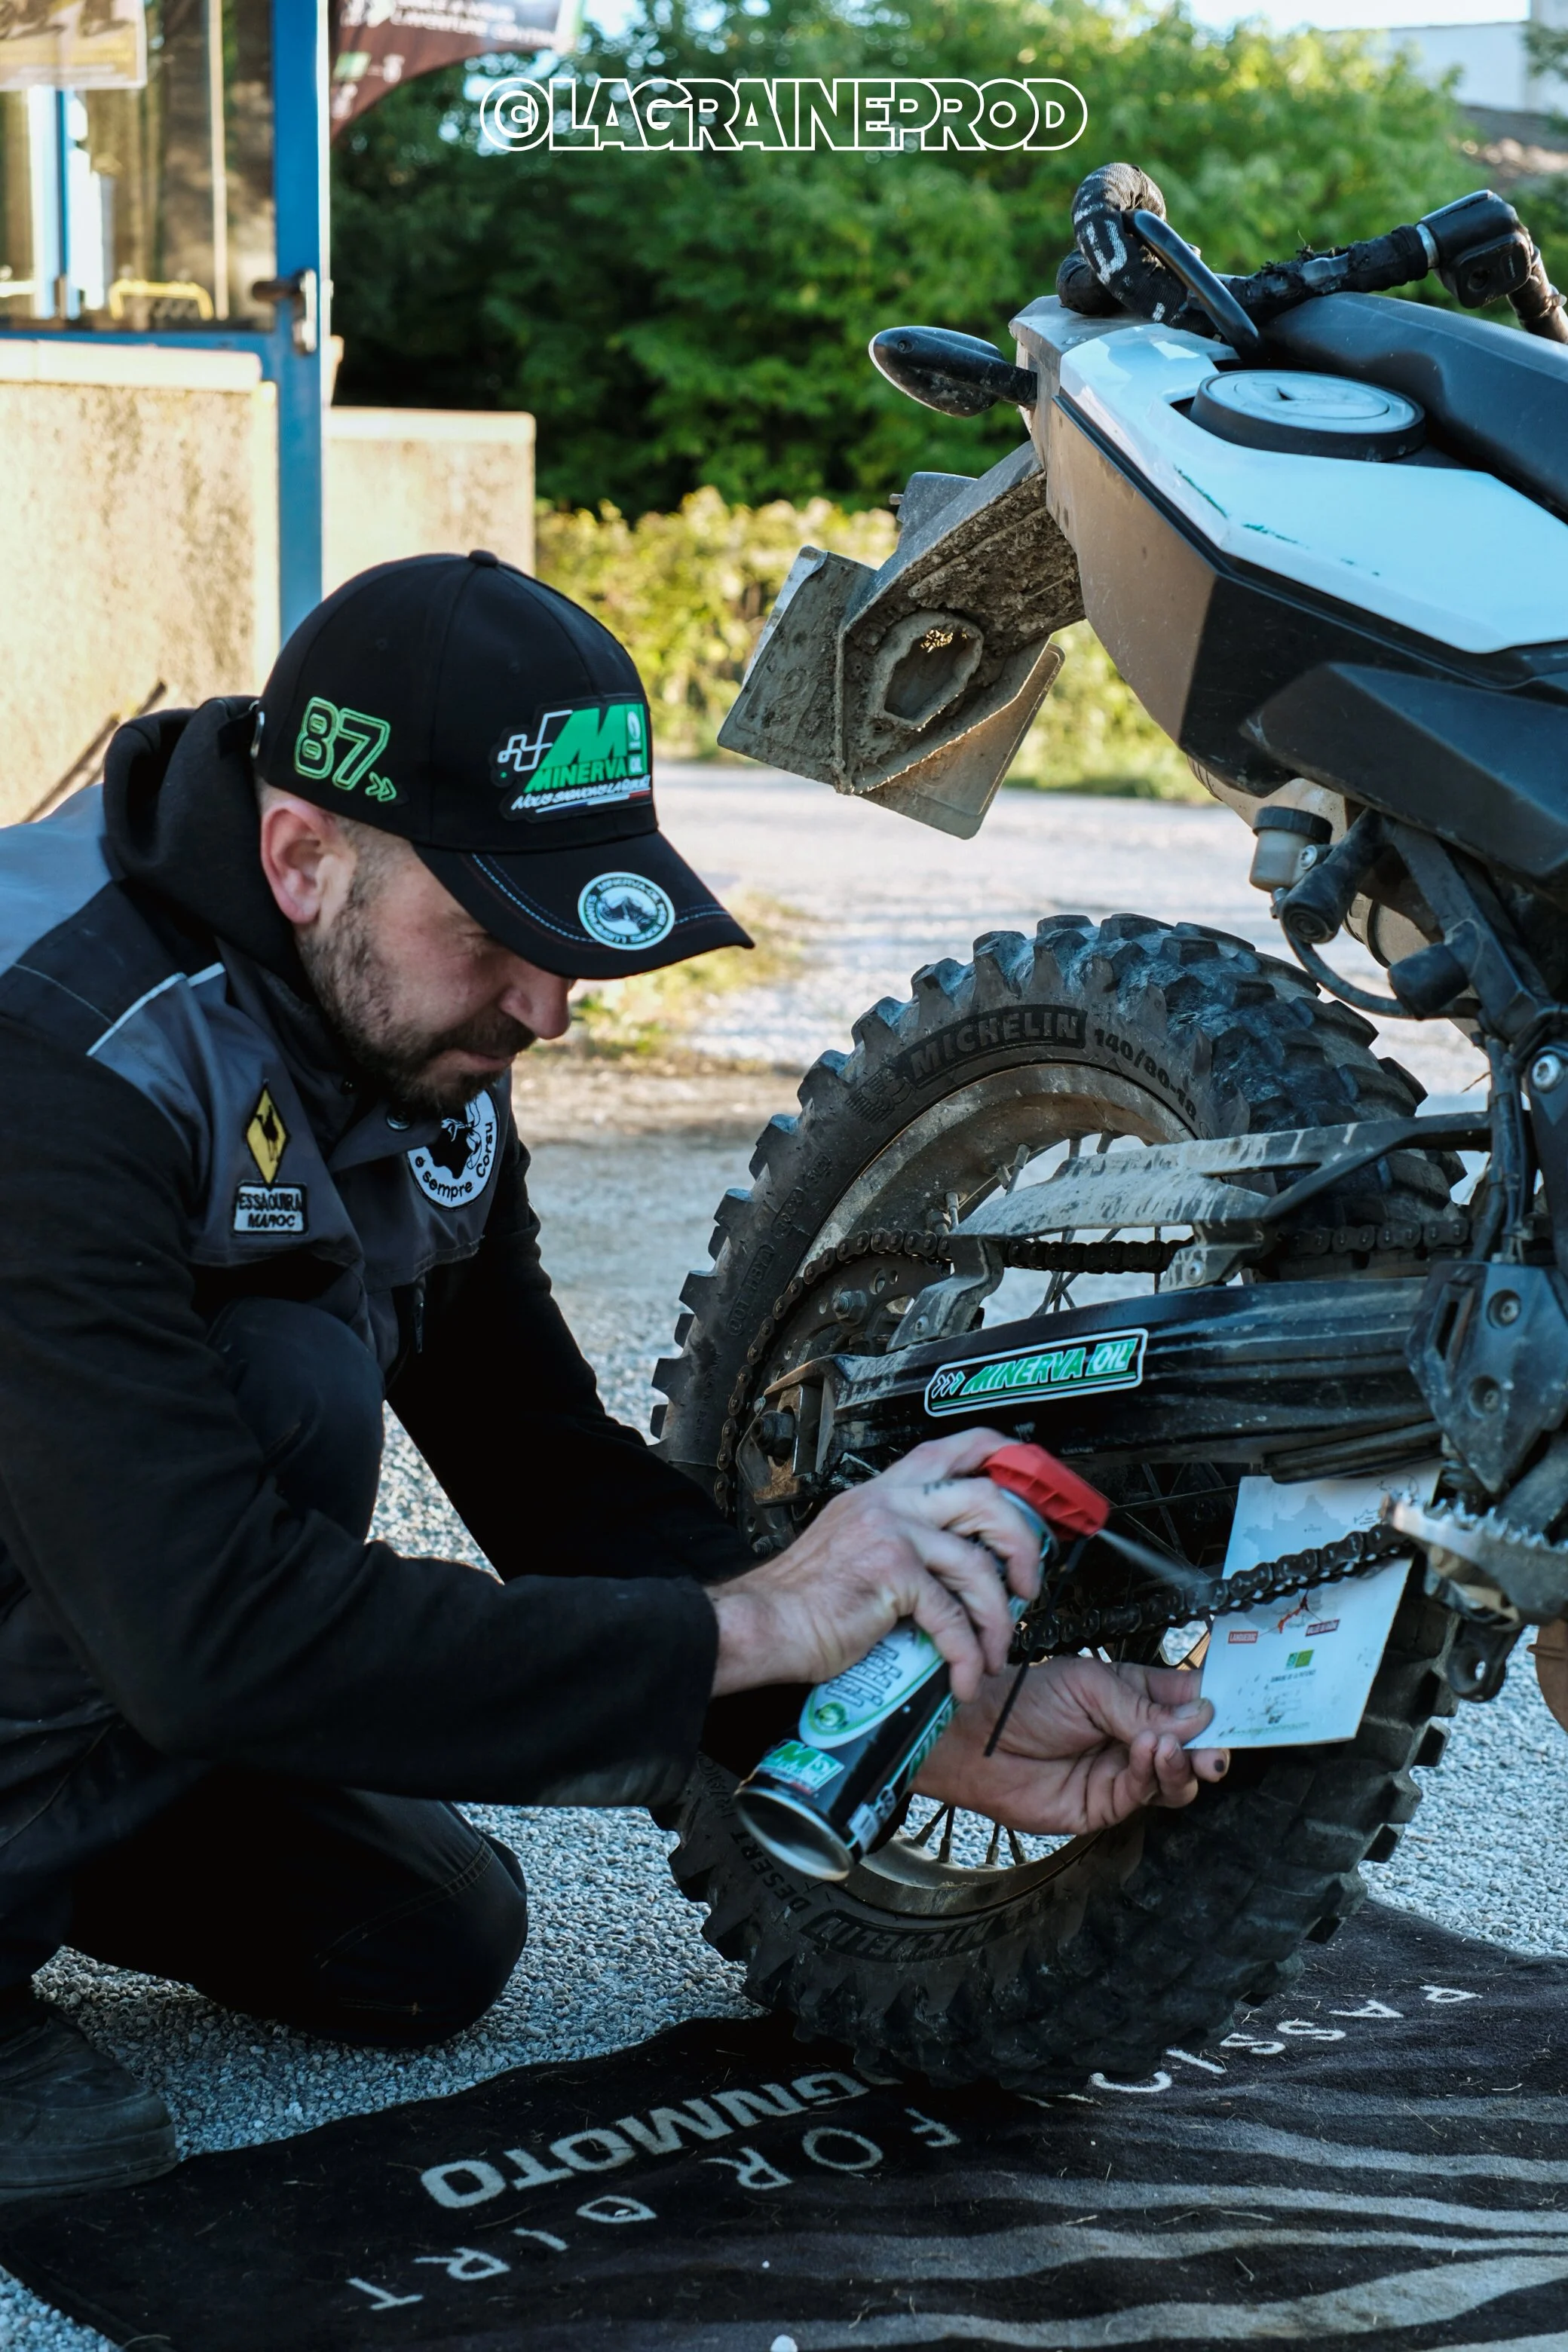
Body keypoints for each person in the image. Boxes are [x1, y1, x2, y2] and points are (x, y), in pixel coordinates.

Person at [0, 553, 1226, 2197]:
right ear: (301, 859)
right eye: (495, 933)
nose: (551, 1007)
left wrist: (910, 1715)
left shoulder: (388, 1005)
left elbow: (537, 1460)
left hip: (115, 1600)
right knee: (289, 1388)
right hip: (146, 1592)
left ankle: (59, 1830)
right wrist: (760, 1618)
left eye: (564, 931)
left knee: (425, 1939)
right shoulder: (60, 1056)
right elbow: (209, 1624)